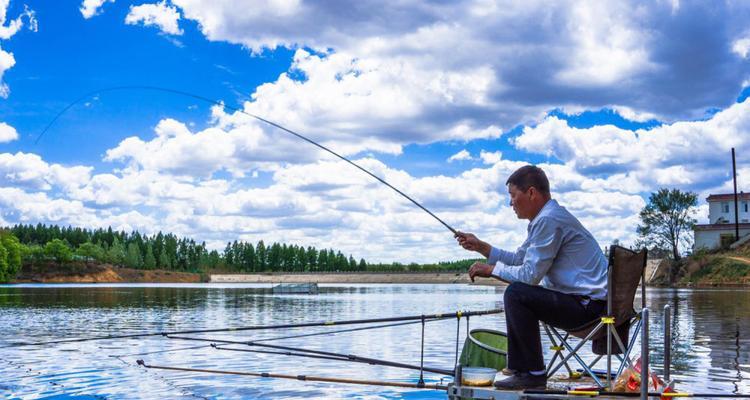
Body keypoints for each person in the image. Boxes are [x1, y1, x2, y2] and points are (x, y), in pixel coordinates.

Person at [456, 165, 608, 390]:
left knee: (517, 293)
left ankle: (532, 373)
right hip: (592, 305)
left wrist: (491, 271)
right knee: (518, 292)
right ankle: (520, 369)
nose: (511, 203)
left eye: (513, 196)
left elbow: (529, 276)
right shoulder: (545, 219)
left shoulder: (549, 220)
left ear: (531, 193)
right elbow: (519, 259)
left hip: (590, 310)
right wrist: (482, 248)